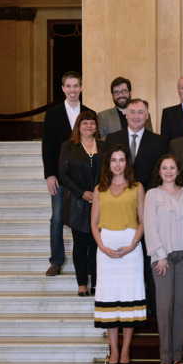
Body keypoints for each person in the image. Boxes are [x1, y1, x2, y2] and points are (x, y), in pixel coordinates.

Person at [91, 145, 146, 364]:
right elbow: (93, 223)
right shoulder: (99, 189)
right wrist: (102, 246)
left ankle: (125, 350)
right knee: (111, 300)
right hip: (106, 248)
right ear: (108, 163)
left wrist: (132, 244)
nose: (117, 164)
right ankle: (113, 350)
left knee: (128, 298)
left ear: (127, 163)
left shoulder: (137, 187)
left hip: (130, 248)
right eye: (114, 160)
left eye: (121, 160)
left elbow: (143, 220)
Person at [143, 154, 183, 364]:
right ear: (159, 171)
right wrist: (159, 255)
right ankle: (165, 355)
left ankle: (178, 354)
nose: (169, 171)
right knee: (164, 307)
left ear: (178, 170)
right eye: (165, 167)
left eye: (172, 167)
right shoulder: (152, 195)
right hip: (162, 258)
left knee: (181, 305)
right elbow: (150, 226)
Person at [42, 71, 92, 277]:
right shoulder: (53, 114)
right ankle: (56, 260)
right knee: (57, 218)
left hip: (81, 178)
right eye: (68, 86)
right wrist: (49, 174)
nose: (72, 90)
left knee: (84, 219)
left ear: (81, 88)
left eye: (76, 86)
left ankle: (88, 261)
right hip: (60, 177)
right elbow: (48, 146)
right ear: (63, 89)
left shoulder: (88, 112)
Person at [58, 110, 105, 296]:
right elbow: (63, 175)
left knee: (96, 244)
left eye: (92, 123)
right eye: (85, 123)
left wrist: (99, 192)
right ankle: (82, 283)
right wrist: (81, 193)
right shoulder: (69, 147)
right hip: (77, 203)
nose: (89, 126)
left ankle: (96, 282)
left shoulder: (104, 146)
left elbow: (110, 171)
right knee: (80, 244)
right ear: (79, 126)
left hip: (100, 201)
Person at [105, 98, 167, 188]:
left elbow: (160, 172)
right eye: (132, 112)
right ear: (126, 115)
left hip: (148, 194)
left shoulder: (159, 141)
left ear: (146, 116)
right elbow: (106, 168)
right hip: (117, 193)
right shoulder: (112, 139)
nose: (136, 116)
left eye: (140, 112)